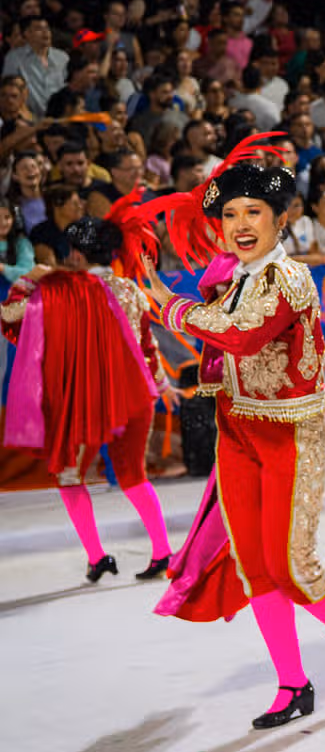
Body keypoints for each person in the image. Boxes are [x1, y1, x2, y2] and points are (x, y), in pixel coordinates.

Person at [136, 136, 325, 730]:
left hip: (293, 436)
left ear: (283, 219)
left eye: (254, 212)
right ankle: (291, 683)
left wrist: (168, 306)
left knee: (293, 566)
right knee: (254, 565)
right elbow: (222, 341)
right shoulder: (235, 279)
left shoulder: (289, 278)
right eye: (230, 214)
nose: (240, 224)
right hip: (239, 432)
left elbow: (243, 337)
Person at [1, 199, 175, 582]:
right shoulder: (130, 289)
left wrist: (29, 279)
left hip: (85, 402)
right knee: (134, 476)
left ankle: (97, 557)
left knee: (69, 476)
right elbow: (147, 344)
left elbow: (11, 319)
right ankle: (163, 552)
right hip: (133, 396)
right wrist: (162, 384)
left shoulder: (58, 291)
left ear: (76, 255)